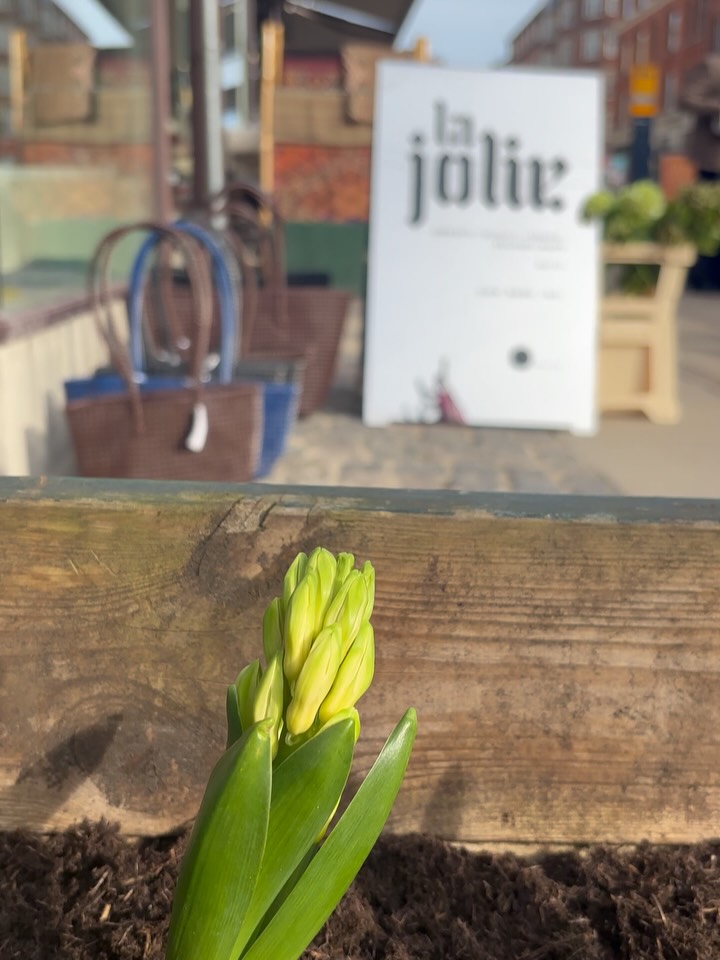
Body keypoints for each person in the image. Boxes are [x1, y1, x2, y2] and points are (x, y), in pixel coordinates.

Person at [682, 55, 720, 289]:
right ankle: (703, 277)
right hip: (713, 162)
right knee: (709, 220)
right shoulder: (713, 67)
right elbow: (687, 98)